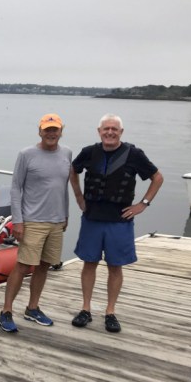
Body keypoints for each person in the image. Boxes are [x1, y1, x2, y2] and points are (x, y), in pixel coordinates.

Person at [69, 114, 164, 333]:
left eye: (114, 129)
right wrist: (78, 197)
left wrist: (143, 204)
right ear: (99, 131)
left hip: (119, 220)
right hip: (92, 217)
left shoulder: (134, 154)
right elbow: (72, 170)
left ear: (121, 132)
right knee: (89, 263)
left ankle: (110, 312)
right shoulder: (89, 152)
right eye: (106, 129)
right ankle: (85, 309)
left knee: (115, 266)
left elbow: (157, 177)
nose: (110, 132)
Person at [0, 113, 72, 333]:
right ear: (40, 131)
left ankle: (32, 308)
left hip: (57, 221)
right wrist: (18, 221)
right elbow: (15, 188)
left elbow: (63, 186)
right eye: (47, 129)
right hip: (32, 221)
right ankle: (6, 311)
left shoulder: (67, 153)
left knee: (44, 266)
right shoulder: (26, 154)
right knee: (22, 266)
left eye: (55, 129)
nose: (51, 133)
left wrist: (66, 214)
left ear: (61, 131)